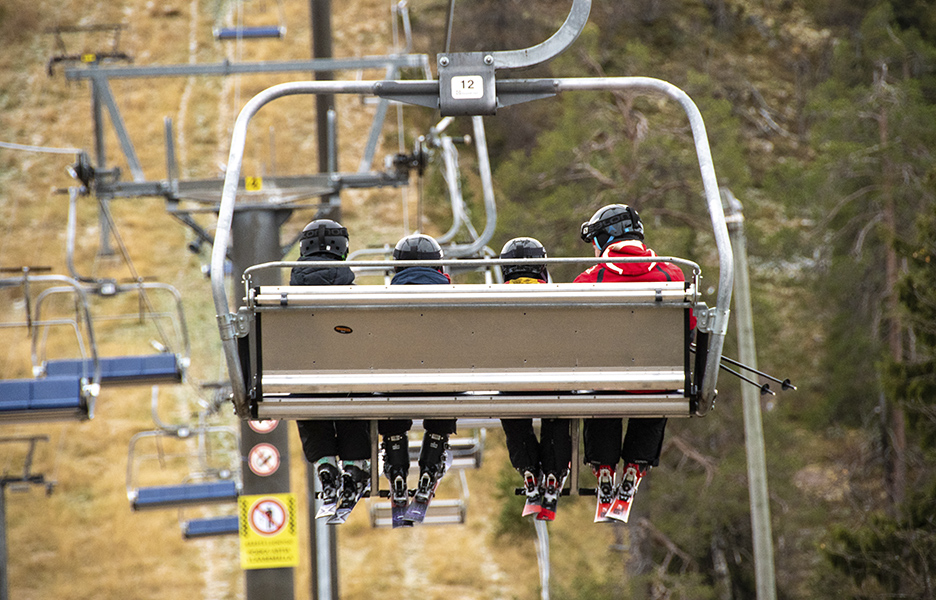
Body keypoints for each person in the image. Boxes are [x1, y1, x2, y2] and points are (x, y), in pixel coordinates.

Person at [575, 203, 695, 522]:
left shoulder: (590, 279)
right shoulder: (674, 274)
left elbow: (574, 335)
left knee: (602, 394)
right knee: (659, 392)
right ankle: (635, 467)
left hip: (607, 384)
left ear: (605, 239)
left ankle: (603, 467)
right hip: (657, 382)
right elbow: (691, 327)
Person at [290, 219, 371, 518]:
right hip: (348, 379)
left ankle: (325, 465)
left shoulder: (282, 296)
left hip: (300, 380)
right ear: (344, 250)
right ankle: (354, 466)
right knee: (355, 394)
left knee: (305, 393)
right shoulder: (354, 293)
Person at [379, 233, 457, 516]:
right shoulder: (457, 297)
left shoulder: (383, 299)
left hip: (397, 384)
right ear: (439, 267)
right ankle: (432, 460)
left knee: (387, 387)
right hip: (442, 383)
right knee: (448, 382)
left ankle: (397, 466)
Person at [498, 237, 572, 521]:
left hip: (511, 387)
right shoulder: (564, 297)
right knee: (561, 402)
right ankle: (553, 471)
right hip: (553, 384)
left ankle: (528, 468)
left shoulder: (486, 297)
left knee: (509, 402)